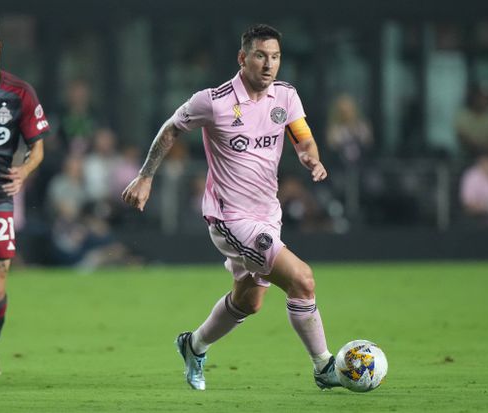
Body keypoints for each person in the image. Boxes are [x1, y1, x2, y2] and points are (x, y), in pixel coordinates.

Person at [122, 24, 340, 391]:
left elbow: (303, 137)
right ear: (243, 58)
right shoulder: (214, 101)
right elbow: (171, 128)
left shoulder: (285, 96)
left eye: (275, 57)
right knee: (302, 280)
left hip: (268, 214)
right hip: (230, 218)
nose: (269, 65)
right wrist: (145, 176)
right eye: (260, 56)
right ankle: (324, 366)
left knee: (249, 301)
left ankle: (193, 345)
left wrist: (310, 157)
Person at [0, 23, 49, 375]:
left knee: (1, 270)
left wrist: (24, 170)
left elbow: (37, 149)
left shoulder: (18, 92)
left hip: (0, 194)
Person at [454, 83, 488, 157]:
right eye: (480, 97)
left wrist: (487, 150)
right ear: (474, 98)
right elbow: (462, 137)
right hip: (466, 157)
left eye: (487, 98)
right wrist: (477, 148)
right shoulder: (463, 115)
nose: (483, 101)